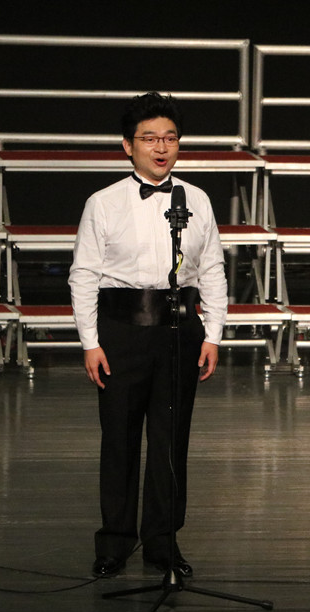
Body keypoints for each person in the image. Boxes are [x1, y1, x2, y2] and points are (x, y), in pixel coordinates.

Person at [69, 92, 228, 579]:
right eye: (150, 139)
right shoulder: (103, 203)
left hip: (179, 331)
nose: (161, 147)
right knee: (119, 440)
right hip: (122, 333)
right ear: (127, 145)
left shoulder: (196, 199)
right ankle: (115, 543)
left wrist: (213, 334)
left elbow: (212, 269)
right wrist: (90, 342)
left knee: (170, 442)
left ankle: (163, 543)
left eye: (170, 138)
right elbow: (84, 275)